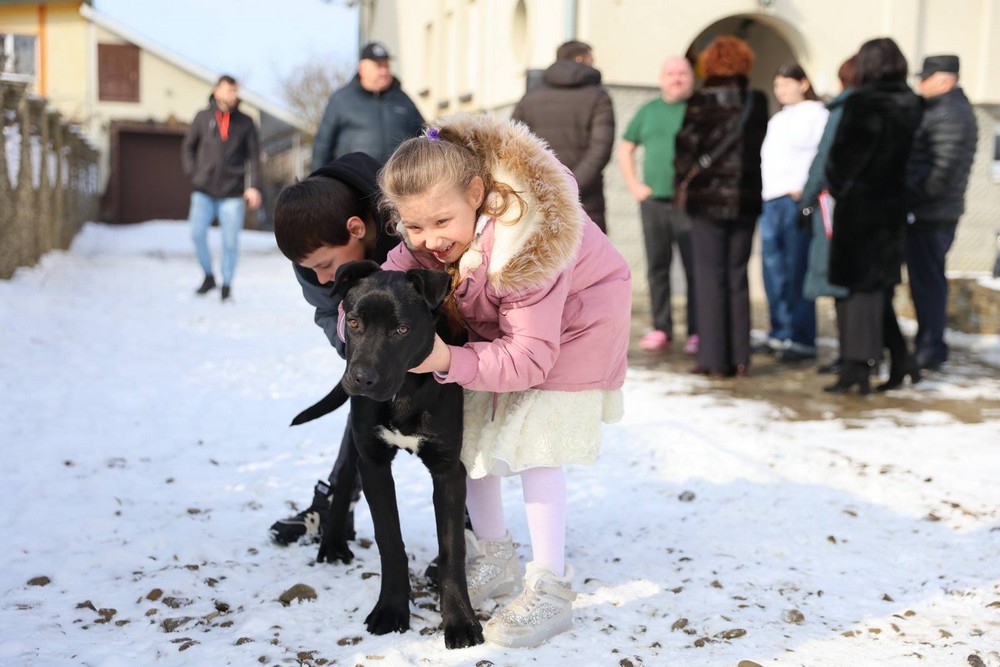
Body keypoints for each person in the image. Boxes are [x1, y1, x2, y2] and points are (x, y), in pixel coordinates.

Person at [377, 115, 631, 648]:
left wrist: (448, 359)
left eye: (441, 222)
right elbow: (385, 283)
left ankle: (551, 588)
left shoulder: (526, 245)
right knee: (470, 429)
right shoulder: (430, 236)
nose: (429, 240)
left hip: (577, 325)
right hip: (512, 331)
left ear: (477, 193)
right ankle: (493, 556)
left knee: (538, 442)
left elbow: (532, 357)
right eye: (413, 227)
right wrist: (363, 327)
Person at [268, 152, 399, 545]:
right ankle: (334, 505)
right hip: (375, 337)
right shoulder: (310, 253)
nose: (322, 277)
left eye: (326, 264)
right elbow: (328, 310)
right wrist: (354, 346)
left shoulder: (406, 212)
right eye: (310, 269)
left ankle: (469, 521)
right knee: (367, 388)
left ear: (356, 228)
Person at [824, 38, 923, 394]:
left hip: (861, 210)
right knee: (877, 289)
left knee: (859, 291)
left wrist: (841, 186)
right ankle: (901, 359)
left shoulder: (863, 102)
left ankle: (858, 367)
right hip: (894, 210)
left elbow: (841, 161)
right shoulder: (914, 104)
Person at [673, 36, 768, 377]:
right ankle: (740, 359)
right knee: (737, 275)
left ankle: (713, 360)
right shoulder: (756, 101)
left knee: (709, 277)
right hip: (745, 198)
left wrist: (684, 178)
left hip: (708, 201)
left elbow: (685, 149)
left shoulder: (701, 100)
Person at [619, 56, 699, 353]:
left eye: (682, 73)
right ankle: (661, 327)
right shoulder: (649, 111)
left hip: (690, 204)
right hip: (653, 202)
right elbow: (626, 148)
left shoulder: (699, 109)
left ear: (691, 77)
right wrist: (635, 185)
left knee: (696, 269)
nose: (676, 78)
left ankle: (697, 331)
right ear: (661, 78)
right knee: (657, 268)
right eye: (671, 73)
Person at [904, 54, 978, 372]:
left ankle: (931, 347)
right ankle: (929, 343)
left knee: (929, 282)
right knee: (925, 281)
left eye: (926, 77)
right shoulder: (941, 110)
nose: (920, 84)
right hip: (930, 210)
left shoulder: (951, 113)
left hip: (932, 213)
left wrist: (911, 197)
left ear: (945, 80)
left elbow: (940, 170)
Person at [758, 64, 829, 362]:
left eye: (787, 83)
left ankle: (802, 337)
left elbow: (823, 156)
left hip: (796, 201)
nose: (781, 90)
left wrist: (804, 189)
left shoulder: (817, 114)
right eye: (777, 85)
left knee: (796, 268)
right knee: (772, 270)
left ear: (803, 83)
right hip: (770, 200)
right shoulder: (778, 119)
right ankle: (779, 332)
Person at [511, 40, 615, 232]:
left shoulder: (529, 99)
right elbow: (600, 149)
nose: (594, 64)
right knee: (590, 259)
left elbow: (512, 148)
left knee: (543, 259)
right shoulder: (598, 98)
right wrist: (568, 186)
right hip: (585, 202)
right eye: (591, 59)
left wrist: (542, 186)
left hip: (538, 200)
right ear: (579, 59)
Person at [798, 57, 856, 375]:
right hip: (862, 210)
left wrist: (807, 199)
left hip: (838, 207)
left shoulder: (843, 109)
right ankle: (856, 354)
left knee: (839, 282)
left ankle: (852, 356)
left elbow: (824, 158)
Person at [181, 75, 262, 301]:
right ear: (217, 92)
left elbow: (254, 158)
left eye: (234, 91)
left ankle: (227, 285)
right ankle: (208, 277)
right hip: (203, 190)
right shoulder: (202, 117)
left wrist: (253, 186)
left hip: (233, 193)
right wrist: (194, 174)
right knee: (196, 235)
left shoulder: (246, 122)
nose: (232, 95)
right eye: (228, 90)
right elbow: (188, 148)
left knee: (230, 242)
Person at [310, 42, 424, 170]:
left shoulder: (403, 99)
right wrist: (317, 184)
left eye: (386, 66)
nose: (384, 72)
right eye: (378, 66)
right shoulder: (341, 100)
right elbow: (322, 147)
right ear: (362, 69)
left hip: (397, 184)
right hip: (353, 184)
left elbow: (424, 138)